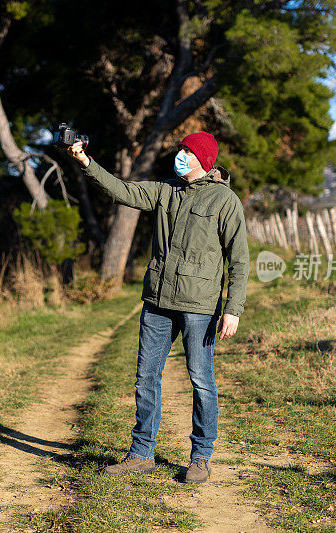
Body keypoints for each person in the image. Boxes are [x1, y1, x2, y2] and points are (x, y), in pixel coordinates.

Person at [66, 132, 249, 484]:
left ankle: (200, 457)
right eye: (180, 149)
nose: (179, 155)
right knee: (146, 378)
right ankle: (141, 454)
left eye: (186, 151)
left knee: (201, 380)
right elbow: (122, 190)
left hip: (200, 306)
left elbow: (238, 259)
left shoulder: (225, 201)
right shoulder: (166, 190)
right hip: (158, 303)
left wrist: (233, 308)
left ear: (203, 159)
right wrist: (85, 162)